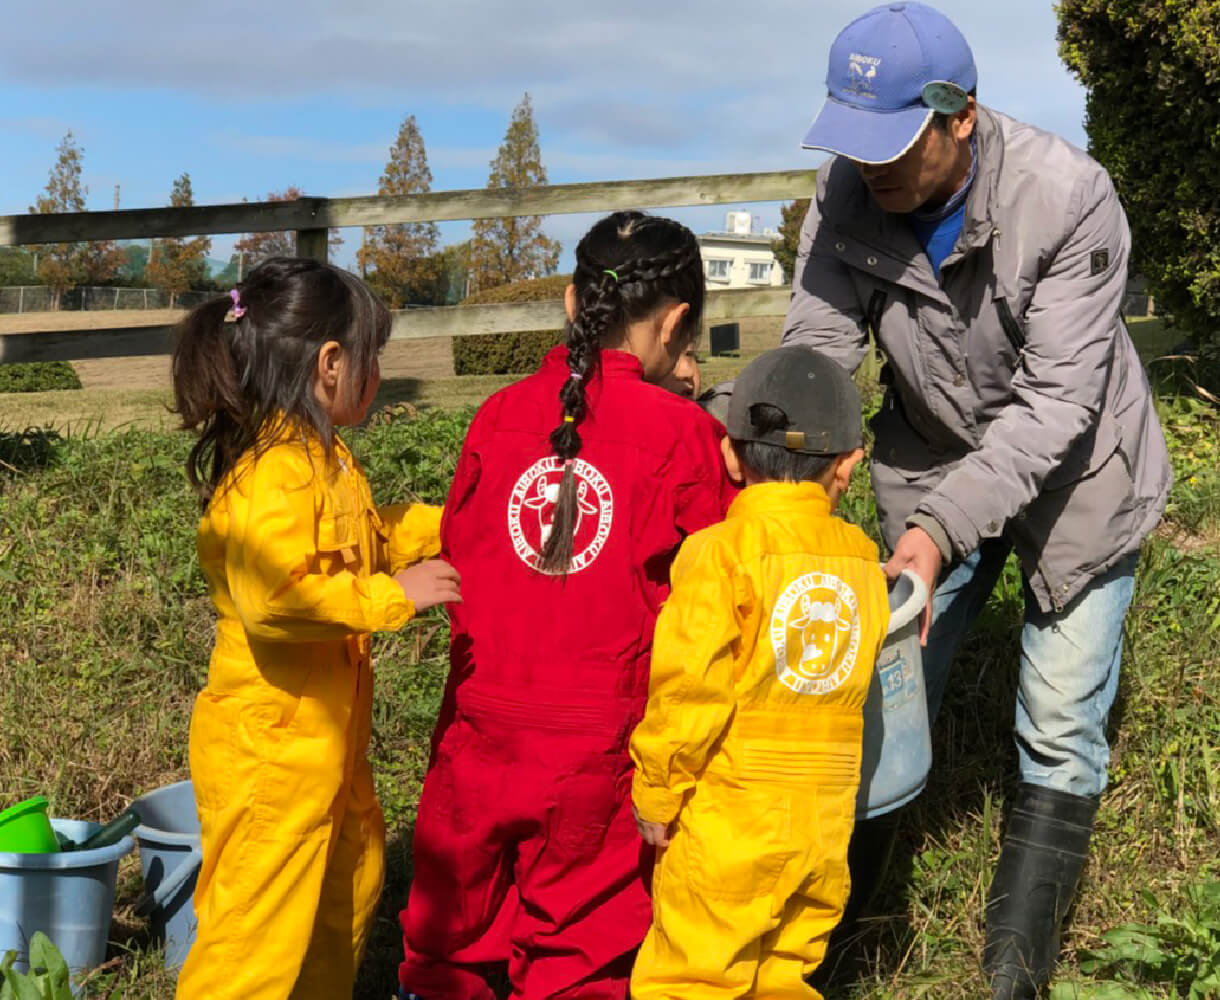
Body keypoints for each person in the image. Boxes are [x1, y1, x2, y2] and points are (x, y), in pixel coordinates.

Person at [781, 3, 1172, 997]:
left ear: (958, 115)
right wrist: (778, 482)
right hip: (928, 448)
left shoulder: (1066, 197)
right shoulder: (844, 193)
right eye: (852, 138)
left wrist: (937, 529)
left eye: (891, 142)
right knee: (879, 683)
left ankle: (1013, 975)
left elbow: (1055, 404)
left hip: (1078, 468)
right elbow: (816, 351)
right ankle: (818, 949)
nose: (867, 165)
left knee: (1058, 718)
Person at [398, 211, 738, 1000]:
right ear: (677, 323)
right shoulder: (683, 436)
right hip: (598, 753)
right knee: (580, 953)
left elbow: (462, 552)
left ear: (570, 301)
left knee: (452, 943)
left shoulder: (496, 416)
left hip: (478, 733)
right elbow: (724, 587)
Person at [170, 257, 461, 1000]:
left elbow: (360, 541)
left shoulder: (323, 459)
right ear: (331, 363)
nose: (379, 373)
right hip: (272, 758)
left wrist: (453, 523)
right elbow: (275, 599)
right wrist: (391, 598)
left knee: (345, 898)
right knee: (254, 944)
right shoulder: (276, 473)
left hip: (325, 748)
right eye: (373, 356)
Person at [629, 345, 890, 999]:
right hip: (823, 823)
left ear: (729, 455)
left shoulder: (719, 554)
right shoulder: (863, 562)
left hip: (731, 816)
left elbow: (689, 687)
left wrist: (657, 790)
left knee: (692, 976)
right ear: (849, 463)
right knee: (785, 974)